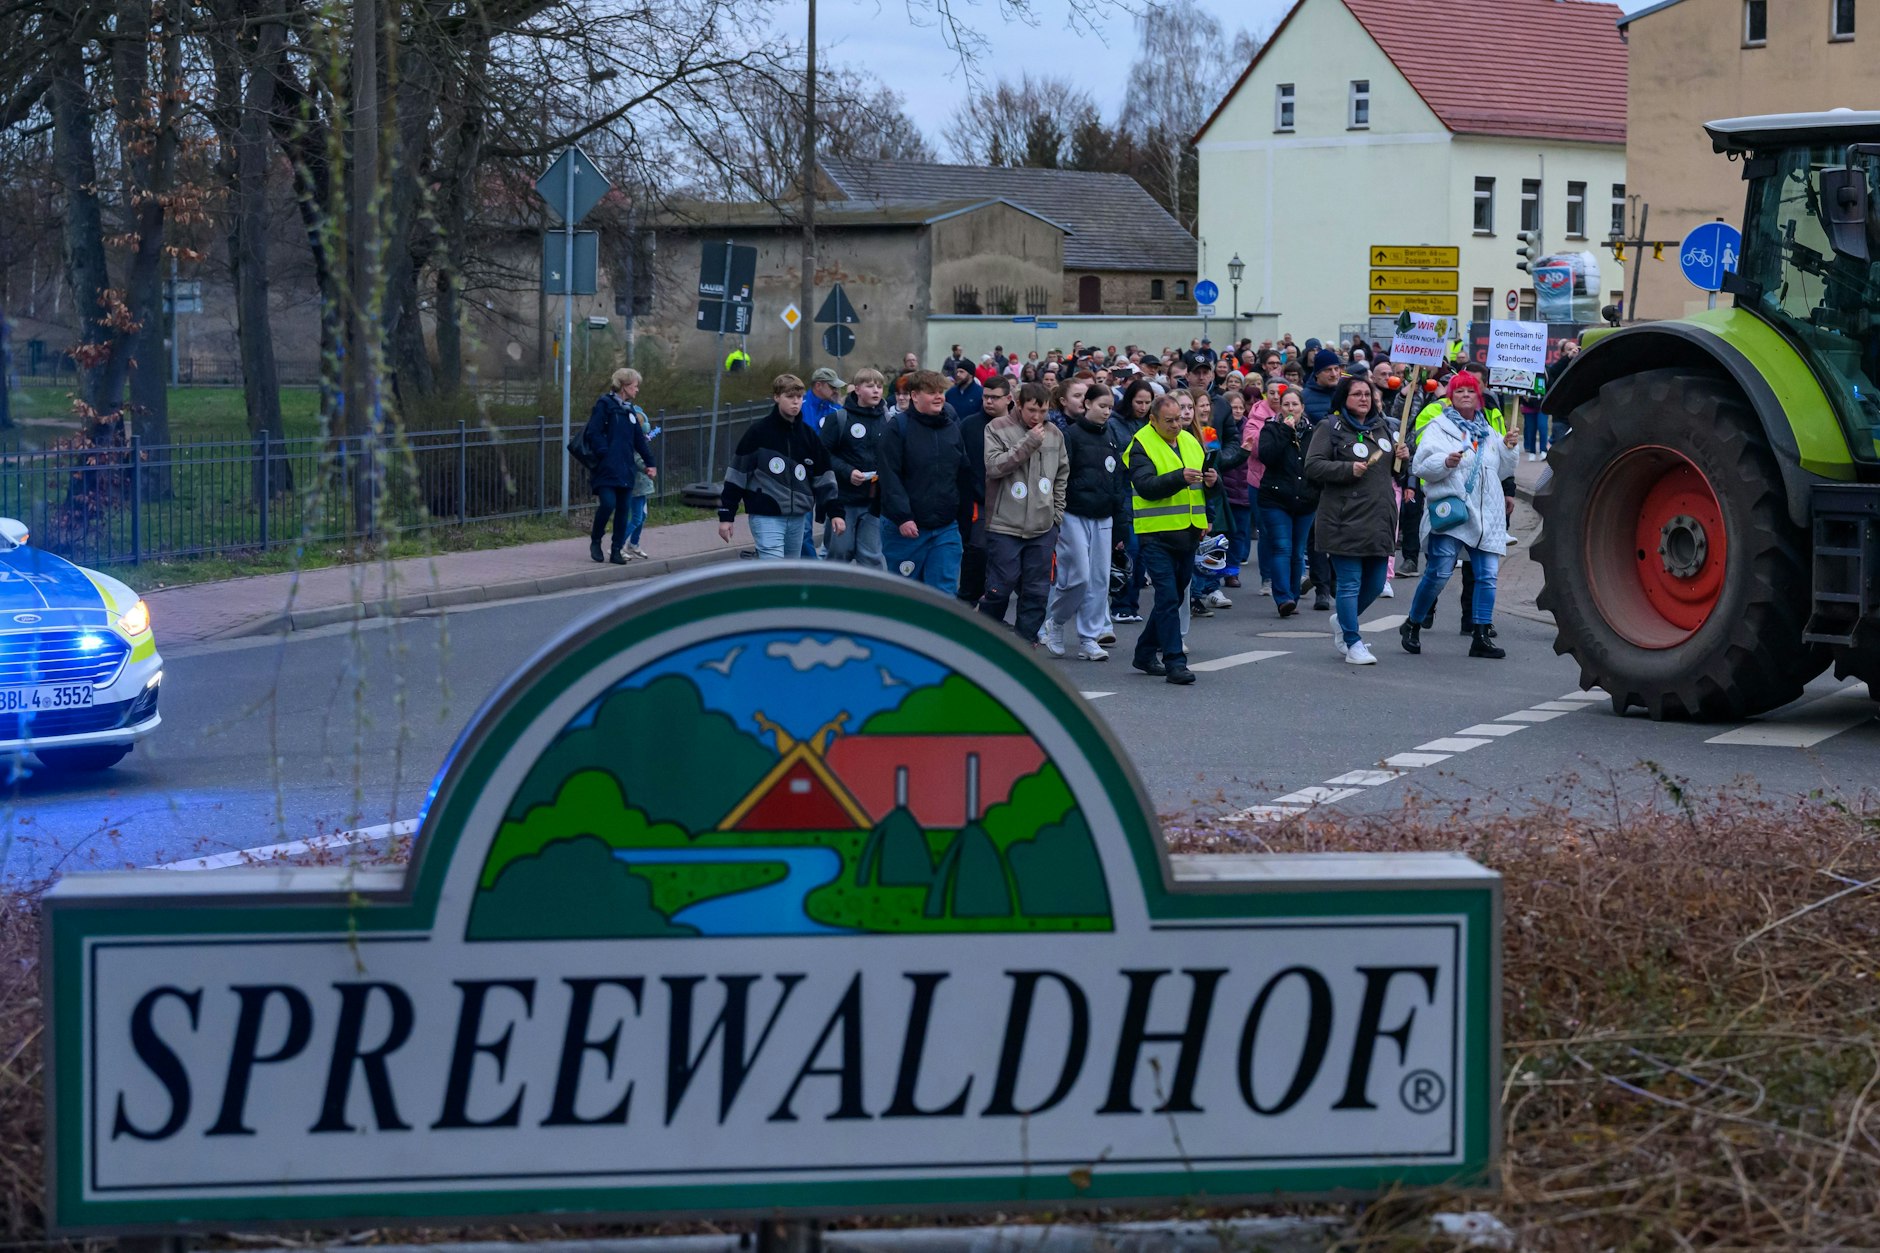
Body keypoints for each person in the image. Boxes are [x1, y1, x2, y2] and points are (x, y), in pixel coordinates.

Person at [1400, 373, 1519, 659]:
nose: (1466, 395)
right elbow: (1421, 466)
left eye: (1471, 391)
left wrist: (1508, 448)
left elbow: (1501, 471)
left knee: (1487, 576)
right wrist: (1445, 462)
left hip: (1486, 515)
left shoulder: (1488, 431)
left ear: (1479, 397)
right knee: (1439, 572)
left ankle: (1480, 636)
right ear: (1450, 397)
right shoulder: (1438, 428)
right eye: (1459, 391)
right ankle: (1413, 623)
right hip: (1453, 510)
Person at [1306, 375, 1406, 666]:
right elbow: (1313, 466)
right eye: (1357, 394)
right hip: (1344, 518)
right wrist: (1347, 469)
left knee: (1375, 584)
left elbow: (1395, 473)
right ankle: (1353, 641)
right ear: (1344, 399)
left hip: (1379, 519)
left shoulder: (1383, 427)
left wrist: (1403, 458)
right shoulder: (1330, 427)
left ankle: (1343, 620)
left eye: (1367, 394)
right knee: (1349, 584)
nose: (1364, 399)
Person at [1125, 393, 1214, 685]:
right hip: (1156, 535)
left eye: (1179, 419)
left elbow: (1203, 487)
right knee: (1167, 597)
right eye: (1169, 421)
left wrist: (1213, 482)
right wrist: (1179, 477)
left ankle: (1144, 653)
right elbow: (1146, 486)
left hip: (1188, 533)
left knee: (1173, 597)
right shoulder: (1141, 444)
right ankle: (1175, 662)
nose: (1177, 425)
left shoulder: (1189, 440)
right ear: (1153, 420)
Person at [717, 374, 843, 559]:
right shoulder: (758, 433)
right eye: (790, 397)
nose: (795, 402)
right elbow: (737, 475)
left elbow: (824, 477)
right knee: (774, 565)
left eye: (799, 397)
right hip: (766, 515)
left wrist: (835, 512)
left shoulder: (808, 436)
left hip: (798, 517)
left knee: (789, 570)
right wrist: (727, 516)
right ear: (777, 397)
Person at [980, 381, 1067, 643]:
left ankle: (1025, 643)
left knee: (1036, 591)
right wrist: (1028, 443)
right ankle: (986, 637)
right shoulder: (997, 427)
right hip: (1004, 523)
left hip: (1043, 526)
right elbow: (994, 467)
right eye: (1032, 410)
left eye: (1043, 411)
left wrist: (1056, 515)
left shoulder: (1055, 434)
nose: (1037, 417)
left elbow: (1062, 475)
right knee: (1000, 586)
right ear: (1018, 405)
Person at [1046, 385, 1128, 660]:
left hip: (1103, 515)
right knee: (1078, 575)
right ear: (1088, 404)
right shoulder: (1070, 435)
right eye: (1102, 406)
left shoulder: (1112, 436)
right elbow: (1059, 475)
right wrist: (1057, 513)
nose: (1106, 412)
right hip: (1074, 514)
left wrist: (1120, 523)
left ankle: (1089, 639)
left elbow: (1118, 480)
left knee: (1099, 580)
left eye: (1110, 408)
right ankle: (1057, 621)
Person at [878, 370, 975, 594]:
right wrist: (903, 517)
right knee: (907, 597)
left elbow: (962, 474)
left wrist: (963, 521)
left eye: (941, 392)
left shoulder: (951, 428)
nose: (939, 397)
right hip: (906, 529)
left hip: (945, 528)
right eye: (931, 392)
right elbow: (889, 477)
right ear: (914, 396)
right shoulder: (897, 428)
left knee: (944, 594)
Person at [581, 367, 657, 564]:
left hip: (625, 469)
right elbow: (593, 432)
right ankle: (596, 540)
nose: (637, 390)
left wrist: (650, 463)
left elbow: (639, 440)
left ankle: (616, 550)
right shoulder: (605, 405)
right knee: (608, 504)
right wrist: (604, 452)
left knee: (623, 509)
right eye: (635, 386)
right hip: (606, 468)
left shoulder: (630, 410)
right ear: (624, 386)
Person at [1256, 389, 1318, 616]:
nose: (1291, 409)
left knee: (1297, 551)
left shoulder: (1313, 432)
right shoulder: (1271, 428)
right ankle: (1283, 598)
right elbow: (1267, 457)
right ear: (1280, 408)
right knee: (1282, 547)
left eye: (1295, 404)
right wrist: (1285, 431)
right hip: (1275, 498)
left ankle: (1292, 597)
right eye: (1286, 405)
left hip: (1305, 499)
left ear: (1302, 407)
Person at [822, 366, 888, 569]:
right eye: (870, 386)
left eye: (879, 386)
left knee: (871, 557)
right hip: (843, 499)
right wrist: (847, 471)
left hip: (873, 502)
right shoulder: (839, 419)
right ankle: (832, 589)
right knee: (840, 553)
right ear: (857, 389)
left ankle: (871, 590)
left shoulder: (888, 420)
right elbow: (823, 455)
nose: (876, 390)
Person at [956, 374, 1007, 604]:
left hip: (1011, 503)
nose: (989, 401)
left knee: (1005, 560)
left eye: (995, 397)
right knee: (978, 552)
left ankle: (993, 611)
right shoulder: (969, 425)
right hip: (979, 502)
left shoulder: (1017, 426)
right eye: (986, 397)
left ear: (1008, 399)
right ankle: (967, 603)